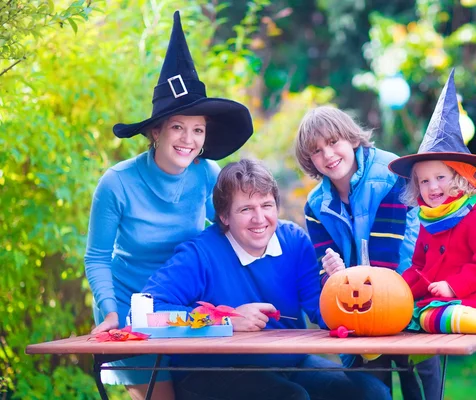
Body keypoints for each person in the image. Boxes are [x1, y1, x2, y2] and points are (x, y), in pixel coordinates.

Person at [84, 11, 253, 400]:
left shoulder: (209, 174)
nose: (188, 140)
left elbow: (229, 238)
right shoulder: (117, 183)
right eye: (178, 126)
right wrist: (111, 311)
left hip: (191, 310)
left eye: (198, 130)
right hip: (132, 312)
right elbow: (97, 257)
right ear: (155, 130)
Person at [143, 159, 392, 400]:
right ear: (224, 217)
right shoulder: (199, 254)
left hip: (289, 361)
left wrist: (338, 288)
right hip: (211, 370)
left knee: (371, 392)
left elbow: (321, 312)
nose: (259, 218)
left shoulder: (294, 241)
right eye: (246, 209)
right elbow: (148, 314)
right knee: (290, 397)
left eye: (266, 205)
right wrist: (224, 319)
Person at [294, 106, 442, 399]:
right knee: (373, 382)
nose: (328, 155)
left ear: (351, 139)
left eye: (333, 142)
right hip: (361, 301)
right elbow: (324, 261)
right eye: (317, 150)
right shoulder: (315, 205)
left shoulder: (391, 174)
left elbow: (386, 252)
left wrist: (352, 281)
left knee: (416, 371)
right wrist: (332, 272)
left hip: (407, 280)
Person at [388, 69, 476, 365]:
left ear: (459, 178)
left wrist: (454, 286)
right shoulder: (429, 219)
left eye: (440, 177)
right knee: (414, 314)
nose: (432, 186)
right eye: (424, 182)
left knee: (430, 317)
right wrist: (400, 290)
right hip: (441, 297)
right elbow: (419, 266)